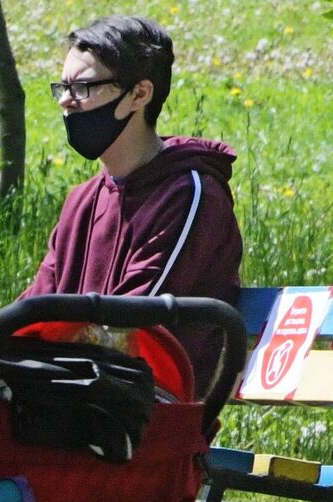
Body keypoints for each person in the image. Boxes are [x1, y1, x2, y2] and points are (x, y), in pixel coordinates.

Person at [25, 15, 243, 389]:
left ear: (139, 95)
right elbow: (32, 312)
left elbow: (130, 325)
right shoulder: (83, 201)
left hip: (145, 417)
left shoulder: (190, 195)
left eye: (82, 87)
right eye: (63, 86)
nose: (65, 100)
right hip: (71, 400)